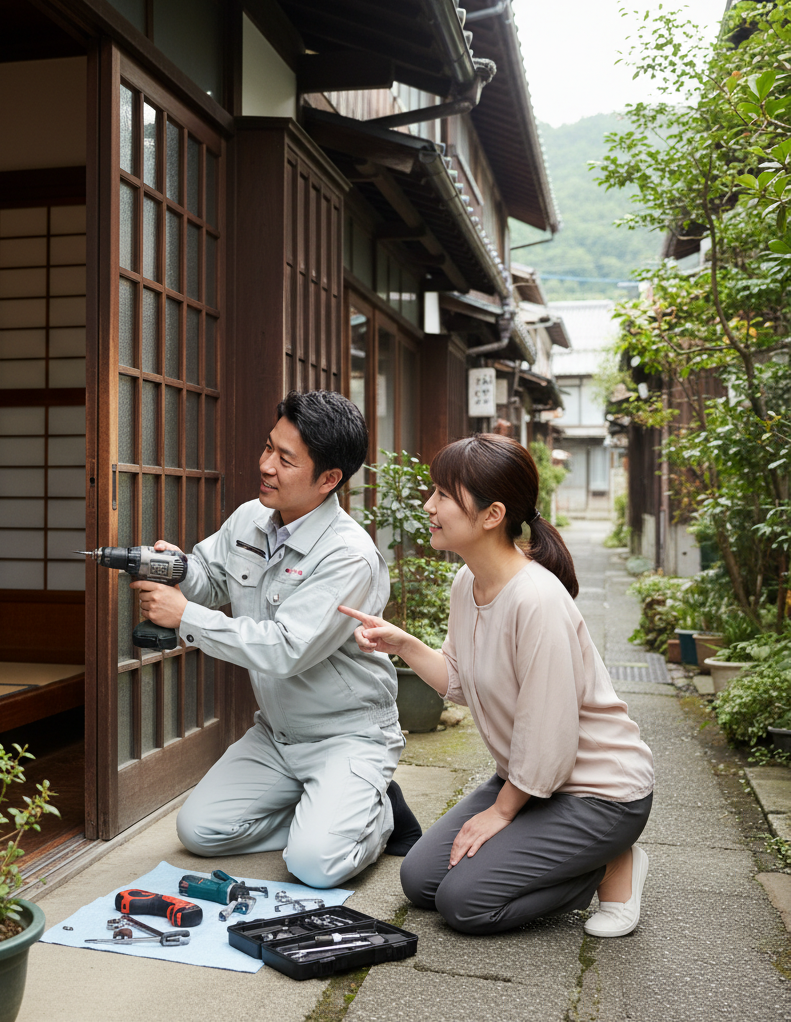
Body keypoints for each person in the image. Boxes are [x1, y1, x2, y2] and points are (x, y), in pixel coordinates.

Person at [340, 434, 654, 937]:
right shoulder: (468, 582)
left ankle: (610, 864)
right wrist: (403, 645)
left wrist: (501, 813)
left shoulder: (537, 600)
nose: (430, 506)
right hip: (532, 780)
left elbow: (549, 735)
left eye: (444, 494)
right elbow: (462, 681)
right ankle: (568, 854)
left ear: (492, 515)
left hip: (599, 794)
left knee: (465, 903)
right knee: (421, 882)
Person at [131, 390, 422, 889]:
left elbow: (287, 649)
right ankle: (324, 816)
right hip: (278, 734)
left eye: (285, 460)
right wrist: (181, 568)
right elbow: (212, 577)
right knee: (200, 831)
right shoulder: (250, 518)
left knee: (315, 866)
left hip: (346, 735)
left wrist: (184, 616)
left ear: (329, 479)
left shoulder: (349, 557)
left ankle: (379, 816)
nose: (265, 465)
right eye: (269, 448)